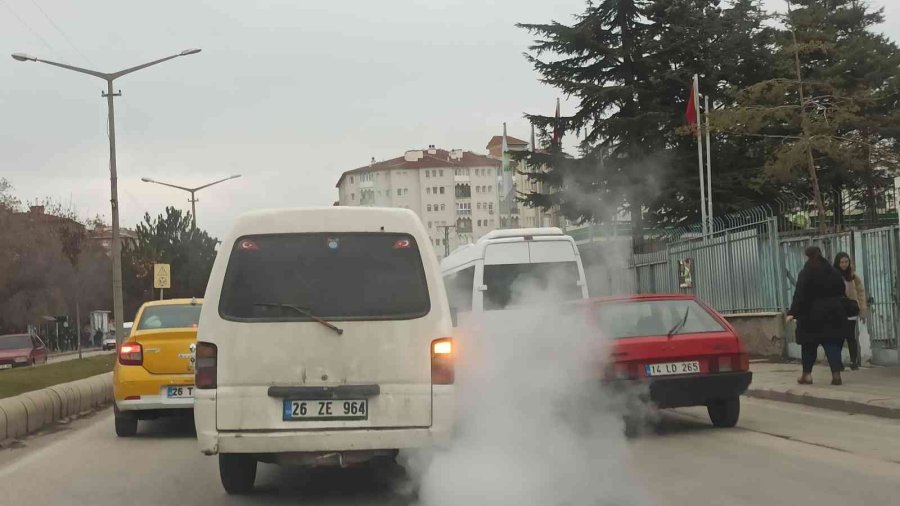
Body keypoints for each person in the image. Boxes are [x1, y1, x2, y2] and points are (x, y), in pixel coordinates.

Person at [786, 246, 847, 385]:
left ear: (807, 256)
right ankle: (836, 375)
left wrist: (792, 312)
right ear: (821, 254)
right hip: (833, 312)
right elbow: (841, 290)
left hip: (810, 314)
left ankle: (806, 375)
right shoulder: (833, 271)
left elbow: (799, 295)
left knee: (809, 346)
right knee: (832, 344)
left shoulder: (806, 272)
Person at [834, 252, 867, 370]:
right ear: (838, 263)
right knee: (839, 337)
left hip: (851, 309)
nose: (844, 264)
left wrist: (862, 308)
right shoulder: (834, 275)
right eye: (841, 262)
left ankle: (854, 361)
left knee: (850, 336)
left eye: (846, 262)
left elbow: (861, 291)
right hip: (838, 310)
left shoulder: (853, 276)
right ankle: (837, 362)